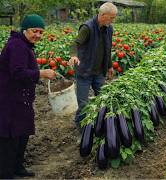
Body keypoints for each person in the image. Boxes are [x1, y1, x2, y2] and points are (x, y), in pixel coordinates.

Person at [0, 14, 56, 178]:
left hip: (20, 98)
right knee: (10, 136)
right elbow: (17, 73)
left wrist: (37, 75)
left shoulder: (24, 45)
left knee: (22, 132)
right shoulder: (17, 45)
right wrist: (41, 73)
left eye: (40, 32)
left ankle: (17, 166)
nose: (37, 35)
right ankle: (5, 172)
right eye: (34, 31)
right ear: (24, 30)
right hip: (9, 99)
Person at [68, 2, 117, 132]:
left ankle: (99, 124)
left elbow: (108, 48)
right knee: (83, 104)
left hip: (99, 72)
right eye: (111, 17)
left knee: (102, 99)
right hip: (84, 72)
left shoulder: (109, 29)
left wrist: (110, 66)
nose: (113, 20)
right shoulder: (87, 27)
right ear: (103, 15)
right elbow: (75, 43)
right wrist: (73, 55)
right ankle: (82, 130)